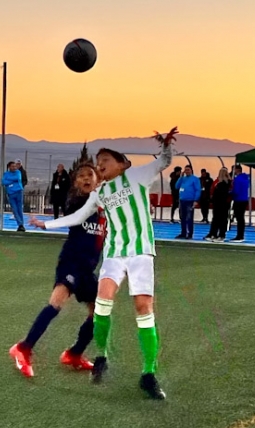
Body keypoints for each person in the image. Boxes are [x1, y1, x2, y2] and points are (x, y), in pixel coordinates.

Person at [30, 127, 179, 400]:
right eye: (98, 162)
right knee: (102, 301)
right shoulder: (100, 193)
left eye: (106, 160)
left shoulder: (136, 176)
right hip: (114, 254)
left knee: (143, 308)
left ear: (122, 164)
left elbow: (164, 162)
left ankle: (148, 373)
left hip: (141, 253)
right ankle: (102, 357)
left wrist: (166, 146)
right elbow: (77, 218)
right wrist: (46, 223)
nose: (100, 165)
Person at [10, 164, 104, 377]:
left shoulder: (104, 207)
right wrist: (46, 224)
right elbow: (75, 214)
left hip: (88, 268)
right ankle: (23, 348)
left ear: (98, 179)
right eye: (81, 176)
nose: (86, 178)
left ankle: (74, 354)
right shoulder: (77, 202)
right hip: (71, 262)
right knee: (56, 303)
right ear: (76, 182)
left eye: (90, 175)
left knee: (98, 312)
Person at [204, 168, 232, 242]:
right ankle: (215, 234)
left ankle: (220, 235)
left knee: (219, 220)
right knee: (218, 219)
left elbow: (217, 194)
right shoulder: (223, 183)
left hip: (221, 204)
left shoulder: (222, 183)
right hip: (221, 204)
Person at [175, 165, 201, 239]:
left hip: (190, 201)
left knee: (189, 218)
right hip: (182, 200)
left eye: (188, 170)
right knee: (182, 217)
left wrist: (196, 200)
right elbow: (176, 186)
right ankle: (183, 233)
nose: (187, 171)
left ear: (191, 170)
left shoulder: (195, 179)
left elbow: (197, 190)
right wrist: (180, 177)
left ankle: (190, 233)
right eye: (185, 170)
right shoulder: (183, 179)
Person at [2, 161, 25, 231]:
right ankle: (20, 223)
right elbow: (3, 182)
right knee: (14, 209)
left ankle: (21, 224)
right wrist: (11, 181)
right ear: (9, 167)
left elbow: (17, 178)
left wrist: (9, 180)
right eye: (12, 166)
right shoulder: (6, 174)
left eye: (15, 166)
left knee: (19, 209)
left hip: (18, 192)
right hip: (11, 193)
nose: (14, 167)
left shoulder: (18, 172)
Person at [230, 164, 249, 243]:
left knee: (239, 218)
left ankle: (239, 236)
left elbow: (236, 191)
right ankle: (241, 235)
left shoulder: (237, 179)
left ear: (237, 170)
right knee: (241, 218)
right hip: (244, 199)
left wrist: (229, 193)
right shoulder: (246, 178)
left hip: (238, 200)